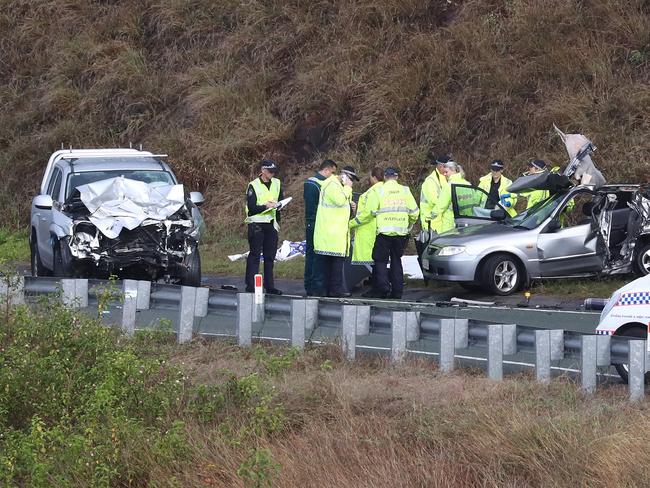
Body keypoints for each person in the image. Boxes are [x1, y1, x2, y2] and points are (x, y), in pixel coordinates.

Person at [355, 167, 419, 299]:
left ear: (385, 177)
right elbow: (414, 212)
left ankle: (383, 287)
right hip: (401, 233)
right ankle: (397, 292)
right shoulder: (405, 190)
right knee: (396, 261)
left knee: (380, 260)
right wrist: (408, 225)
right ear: (396, 177)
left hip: (384, 232)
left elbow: (371, 211)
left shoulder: (379, 190)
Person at [314, 165, 359, 297]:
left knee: (336, 264)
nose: (351, 183)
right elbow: (339, 201)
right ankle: (333, 290)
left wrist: (352, 209)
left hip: (338, 233)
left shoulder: (341, 187)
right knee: (331, 264)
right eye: (350, 179)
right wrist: (348, 187)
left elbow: (343, 209)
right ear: (344, 175)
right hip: (329, 232)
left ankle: (333, 289)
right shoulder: (331, 184)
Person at [244, 159, 284, 295]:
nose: (272, 174)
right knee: (255, 255)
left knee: (270, 257)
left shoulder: (277, 183)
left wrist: (279, 206)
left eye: (274, 171)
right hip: (256, 224)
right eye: (270, 171)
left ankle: (270, 286)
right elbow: (251, 208)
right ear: (263, 171)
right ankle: (251, 285)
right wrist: (265, 206)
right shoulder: (253, 185)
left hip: (271, 224)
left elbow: (281, 200)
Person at [303, 159, 337, 296]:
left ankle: (319, 284)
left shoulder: (324, 183)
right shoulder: (313, 183)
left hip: (323, 224)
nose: (334, 176)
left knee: (319, 255)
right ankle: (311, 285)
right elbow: (313, 208)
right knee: (313, 254)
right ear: (327, 170)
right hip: (314, 223)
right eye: (332, 173)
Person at [349, 166, 384, 291]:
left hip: (368, 230)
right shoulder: (386, 190)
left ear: (374, 177)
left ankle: (379, 286)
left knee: (372, 261)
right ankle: (379, 283)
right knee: (379, 260)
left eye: (370, 176)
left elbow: (368, 213)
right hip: (380, 229)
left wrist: (351, 223)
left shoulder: (373, 192)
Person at [431, 160, 471, 234]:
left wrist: (431, 215)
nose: (445, 174)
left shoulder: (449, 186)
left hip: (450, 222)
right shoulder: (467, 184)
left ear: (453, 171)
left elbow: (441, 205)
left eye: (446, 172)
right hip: (467, 221)